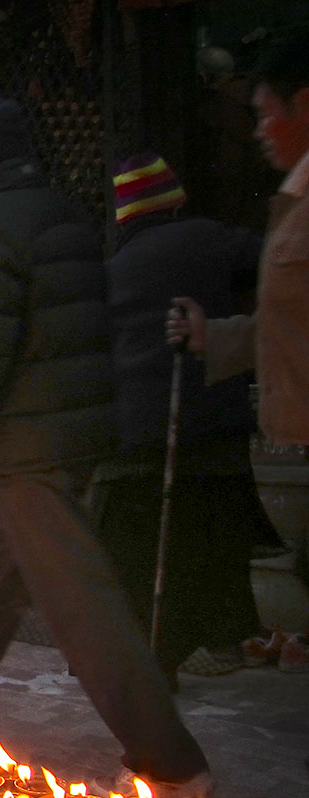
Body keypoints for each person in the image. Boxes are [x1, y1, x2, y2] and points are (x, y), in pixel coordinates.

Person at [0, 95, 212, 798]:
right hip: (69, 430)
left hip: (26, 439)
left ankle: (170, 763)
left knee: (78, 603)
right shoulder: (61, 214)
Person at [95, 153, 270, 684]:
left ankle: (153, 657)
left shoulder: (114, 268)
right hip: (210, 422)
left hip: (133, 435)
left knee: (147, 551)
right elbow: (275, 263)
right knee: (207, 542)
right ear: (174, 199)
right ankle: (216, 636)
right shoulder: (210, 238)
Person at [168, 33, 309, 672]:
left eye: (264, 114)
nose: (258, 132)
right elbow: (283, 323)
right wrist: (214, 336)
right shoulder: (293, 201)